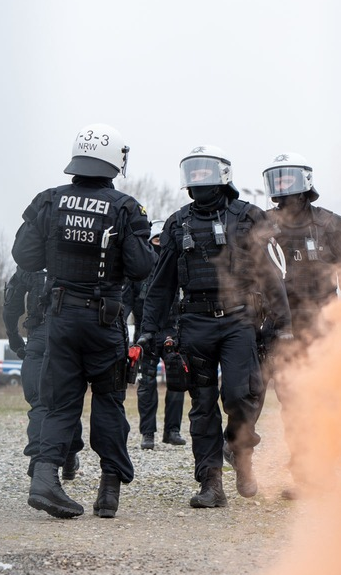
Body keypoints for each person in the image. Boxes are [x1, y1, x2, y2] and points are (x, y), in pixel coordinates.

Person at [11, 122, 156, 519]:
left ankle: (45, 480)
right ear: (114, 162)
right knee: (108, 402)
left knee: (58, 403)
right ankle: (108, 491)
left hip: (58, 318)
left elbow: (25, 257)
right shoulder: (125, 207)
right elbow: (142, 267)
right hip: (104, 321)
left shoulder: (48, 200)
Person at [141, 146, 291, 508]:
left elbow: (271, 276)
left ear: (222, 175)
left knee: (241, 395)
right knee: (202, 406)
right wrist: (149, 329)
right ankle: (211, 484)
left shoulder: (248, 217)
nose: (197, 179)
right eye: (192, 172)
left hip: (239, 320)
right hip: (194, 323)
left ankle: (241, 454)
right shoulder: (178, 223)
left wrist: (284, 324)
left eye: (204, 171)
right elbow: (161, 284)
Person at [261, 152, 341, 499]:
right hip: (281, 325)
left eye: (288, 180)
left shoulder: (332, 225)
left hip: (322, 323)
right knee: (290, 399)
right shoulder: (264, 225)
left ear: (304, 185)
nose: (282, 188)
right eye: (277, 180)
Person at [3, 266, 84, 479]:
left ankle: (39, 459)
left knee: (40, 401)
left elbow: (11, 305)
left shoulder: (31, 264)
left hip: (40, 334)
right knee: (68, 400)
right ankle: (68, 457)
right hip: (69, 334)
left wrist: (14, 338)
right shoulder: (76, 255)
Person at [123, 219, 185, 450]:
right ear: (150, 242)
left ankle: (173, 430)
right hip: (144, 334)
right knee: (146, 384)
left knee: (177, 381)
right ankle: (147, 433)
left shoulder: (178, 264)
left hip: (173, 331)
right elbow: (126, 301)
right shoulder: (139, 269)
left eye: (163, 239)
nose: (159, 244)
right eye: (156, 239)